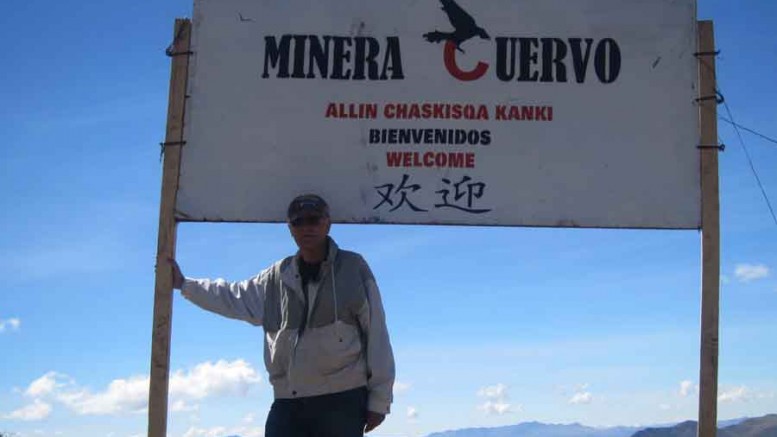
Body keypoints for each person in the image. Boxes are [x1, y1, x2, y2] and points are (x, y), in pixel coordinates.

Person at [166, 194, 395, 437]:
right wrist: (184, 284)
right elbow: (233, 297)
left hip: (342, 400)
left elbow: (377, 334)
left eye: (314, 219)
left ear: (328, 224)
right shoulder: (276, 276)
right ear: (290, 229)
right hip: (289, 400)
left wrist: (379, 401)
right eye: (298, 222)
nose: (307, 227)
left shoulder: (353, 267)